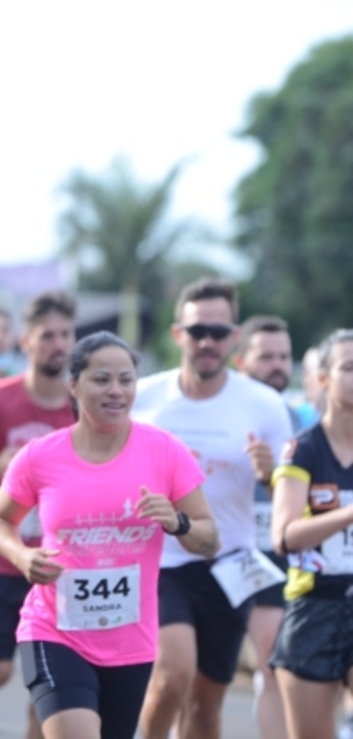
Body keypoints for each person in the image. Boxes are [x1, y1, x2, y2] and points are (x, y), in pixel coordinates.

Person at [0, 331, 220, 739]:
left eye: (126, 380)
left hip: (131, 641)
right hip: (52, 629)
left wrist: (177, 522)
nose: (116, 391)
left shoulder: (165, 452)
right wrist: (22, 556)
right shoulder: (40, 456)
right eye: (102, 379)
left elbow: (209, 539)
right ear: (73, 385)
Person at [132, 278, 294, 739]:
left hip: (228, 561)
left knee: (205, 708)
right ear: (177, 333)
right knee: (171, 677)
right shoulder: (145, 399)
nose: (207, 342)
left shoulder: (264, 404)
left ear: (234, 337)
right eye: (197, 330)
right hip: (160, 560)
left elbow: (290, 487)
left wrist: (270, 475)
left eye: (219, 332)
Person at [0, 290, 77, 737]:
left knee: (49, 686)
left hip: (58, 561)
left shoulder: (82, 408)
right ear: (26, 342)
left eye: (65, 334)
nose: (58, 344)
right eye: (48, 335)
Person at [269, 328, 353, 739]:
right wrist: (348, 514)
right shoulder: (303, 449)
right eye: (349, 367)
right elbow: (284, 536)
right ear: (322, 378)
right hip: (314, 605)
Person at [232, 315, 304, 739]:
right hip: (212, 553)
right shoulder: (220, 410)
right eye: (266, 357)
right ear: (241, 361)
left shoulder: (302, 422)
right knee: (190, 674)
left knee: (274, 663)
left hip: (273, 556)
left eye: (284, 357)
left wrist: (274, 476)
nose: (277, 365)